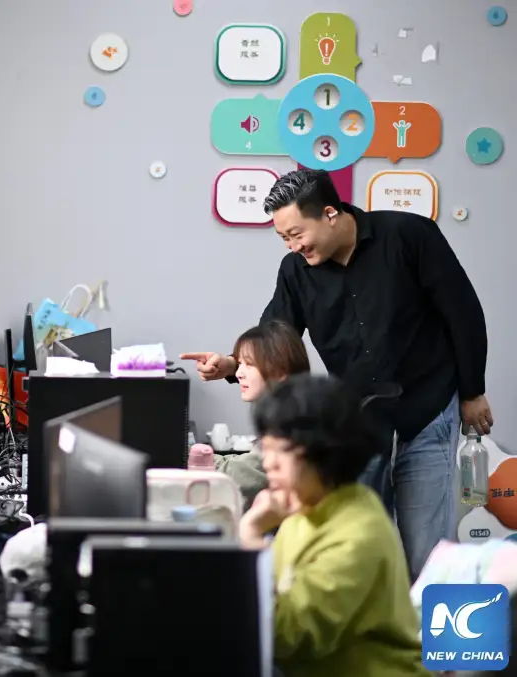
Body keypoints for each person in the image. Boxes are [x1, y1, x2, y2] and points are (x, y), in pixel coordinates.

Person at [182, 168, 491, 580]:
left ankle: (428, 622)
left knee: (427, 551)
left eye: (296, 234)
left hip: (427, 408)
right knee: (356, 547)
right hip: (359, 423)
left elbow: (463, 312)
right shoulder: (295, 271)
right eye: (284, 238)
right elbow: (276, 338)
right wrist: (233, 364)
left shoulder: (408, 236)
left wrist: (472, 392)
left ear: (329, 213)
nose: (293, 247)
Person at [239, 375, 427, 677]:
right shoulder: (304, 508)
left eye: (279, 450)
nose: (268, 463)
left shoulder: (358, 535)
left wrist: (249, 534)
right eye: (265, 448)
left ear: (322, 450)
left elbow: (286, 637)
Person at [213, 320, 311, 511]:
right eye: (240, 364)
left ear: (280, 371)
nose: (239, 373)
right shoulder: (285, 412)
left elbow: (240, 477)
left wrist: (188, 457)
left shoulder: (290, 424)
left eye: (249, 364)